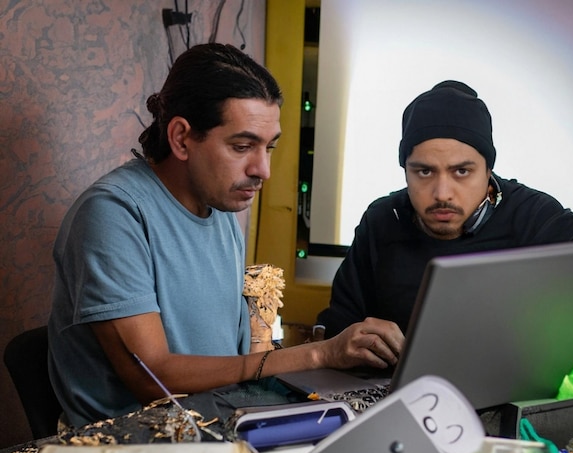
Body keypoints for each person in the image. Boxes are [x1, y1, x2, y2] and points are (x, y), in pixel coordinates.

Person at [48, 43, 403, 428]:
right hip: (129, 451)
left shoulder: (219, 209)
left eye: (269, 147)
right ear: (182, 138)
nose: (263, 169)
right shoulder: (113, 214)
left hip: (220, 427)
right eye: (242, 146)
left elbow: (233, 358)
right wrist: (319, 355)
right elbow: (154, 378)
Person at [317, 80, 573, 338]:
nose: (442, 193)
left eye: (461, 171)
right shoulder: (381, 221)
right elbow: (338, 328)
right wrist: (346, 346)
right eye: (424, 171)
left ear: (488, 170)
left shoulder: (538, 220)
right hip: (393, 385)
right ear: (405, 170)